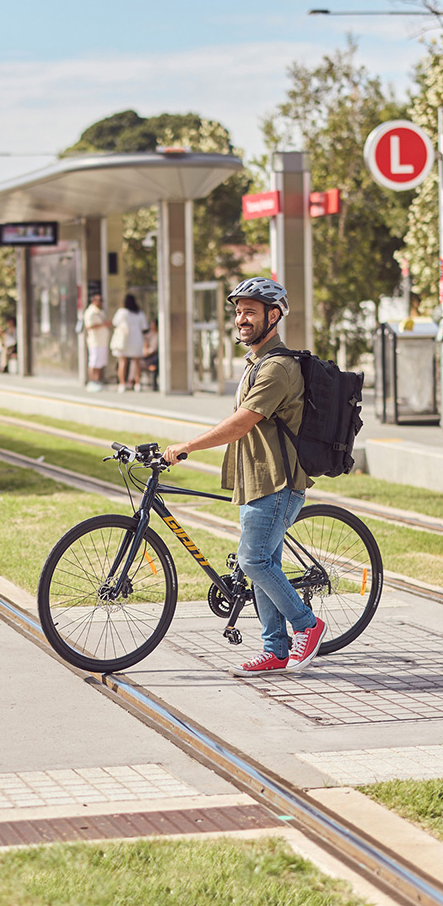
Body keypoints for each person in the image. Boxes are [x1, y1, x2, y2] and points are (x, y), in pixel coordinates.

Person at [162, 277, 325, 676]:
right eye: (238, 311)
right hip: (256, 480)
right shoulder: (256, 364)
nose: (241, 319)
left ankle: (308, 625)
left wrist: (188, 446)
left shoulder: (279, 367)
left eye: (250, 311)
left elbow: (241, 424)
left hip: (277, 482)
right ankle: (275, 651)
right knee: (263, 565)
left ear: (274, 315)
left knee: (253, 561)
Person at [110, 293, 148, 393]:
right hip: (136, 339)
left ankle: (122, 384)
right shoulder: (139, 313)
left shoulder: (122, 312)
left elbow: (115, 323)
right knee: (136, 362)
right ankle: (137, 384)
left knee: (122, 361)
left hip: (125, 340)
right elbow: (144, 327)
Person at [83, 292, 111, 392]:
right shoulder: (90, 312)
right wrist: (104, 325)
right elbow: (89, 326)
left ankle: (97, 380)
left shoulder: (100, 311)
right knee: (94, 362)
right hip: (95, 342)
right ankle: (91, 381)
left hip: (102, 341)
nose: (101, 303)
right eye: (99, 301)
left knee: (100, 363)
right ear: (93, 301)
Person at [140, 318, 159, 391]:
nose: (151, 326)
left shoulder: (158, 336)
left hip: (153, 357)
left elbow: (153, 350)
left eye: (152, 324)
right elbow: (145, 340)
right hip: (147, 356)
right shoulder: (150, 334)